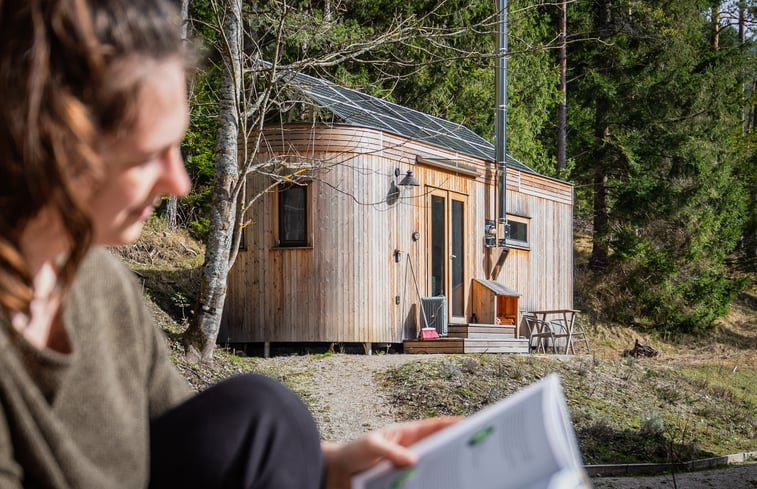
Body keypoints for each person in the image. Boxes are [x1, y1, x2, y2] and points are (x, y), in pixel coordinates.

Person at [0, 1, 457, 488]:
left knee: (263, 418)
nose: (178, 182)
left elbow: (189, 445)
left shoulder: (101, 287)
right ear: (52, 144)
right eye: (148, 155)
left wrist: (329, 467)